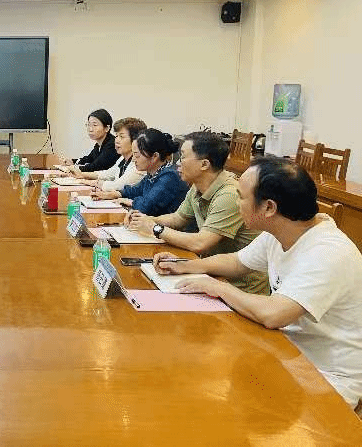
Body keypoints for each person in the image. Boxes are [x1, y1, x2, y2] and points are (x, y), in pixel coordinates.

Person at [154, 158, 362, 412]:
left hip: (324, 377)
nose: (236, 203)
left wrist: (218, 288)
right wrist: (186, 266)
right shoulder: (283, 231)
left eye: (241, 197)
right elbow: (237, 262)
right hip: (286, 353)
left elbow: (274, 314)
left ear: (269, 207)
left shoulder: (327, 251)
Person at [128, 132, 268, 295]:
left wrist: (155, 228)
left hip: (239, 289)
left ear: (204, 164)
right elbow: (178, 218)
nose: (178, 163)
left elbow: (201, 243)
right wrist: (145, 220)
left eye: (183, 157)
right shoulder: (197, 186)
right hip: (210, 275)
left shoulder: (229, 194)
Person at [114, 129, 188, 215]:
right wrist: (116, 194)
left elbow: (147, 206)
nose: (133, 159)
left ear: (155, 156)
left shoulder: (170, 176)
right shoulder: (153, 173)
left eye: (137, 155)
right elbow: (135, 190)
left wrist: (131, 202)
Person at [69, 117, 147, 195]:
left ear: (135, 140)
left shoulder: (139, 163)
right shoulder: (122, 158)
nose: (117, 140)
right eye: (116, 136)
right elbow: (107, 174)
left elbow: (118, 186)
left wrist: (88, 181)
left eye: (122, 137)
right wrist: (82, 175)